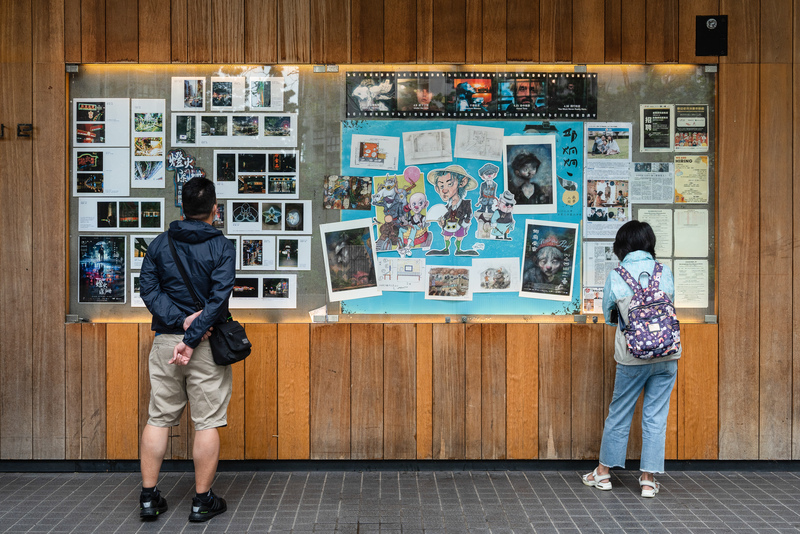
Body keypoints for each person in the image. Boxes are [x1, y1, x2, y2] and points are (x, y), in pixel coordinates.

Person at [138, 177, 236, 522]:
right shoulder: (223, 246)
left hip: (168, 342)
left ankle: (149, 499)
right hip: (206, 344)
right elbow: (219, 299)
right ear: (214, 210)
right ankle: (201, 501)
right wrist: (193, 333)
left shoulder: (160, 244)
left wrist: (179, 323)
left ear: (181, 208)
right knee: (207, 422)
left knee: (159, 417)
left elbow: (147, 290)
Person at [581, 220, 681, 498]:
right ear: (650, 243)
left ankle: (602, 474)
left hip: (631, 356)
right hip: (666, 354)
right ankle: (648, 480)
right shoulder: (664, 272)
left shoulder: (618, 274)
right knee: (655, 416)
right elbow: (669, 306)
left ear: (621, 246)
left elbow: (609, 314)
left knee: (620, 413)